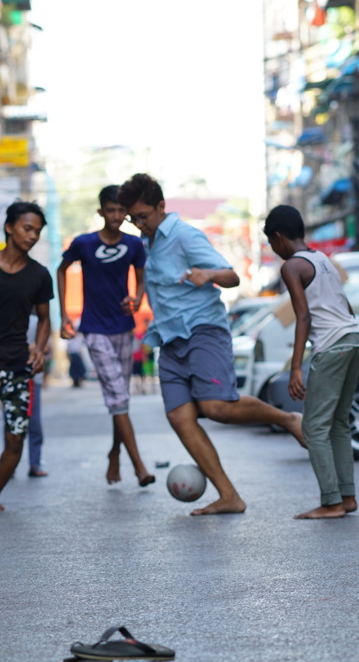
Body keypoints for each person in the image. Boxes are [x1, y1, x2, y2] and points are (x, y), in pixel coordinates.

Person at [117, 173, 304, 516]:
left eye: (143, 216)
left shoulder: (186, 236)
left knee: (217, 407)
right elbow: (157, 282)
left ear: (161, 206)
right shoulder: (150, 242)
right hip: (169, 339)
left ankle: (288, 419)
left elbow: (231, 276)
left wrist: (207, 275)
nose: (138, 224)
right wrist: (138, 297)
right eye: (134, 218)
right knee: (179, 416)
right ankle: (229, 495)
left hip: (203, 330)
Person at [265, 205, 359, 519]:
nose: (273, 249)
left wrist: (296, 367)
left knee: (314, 426)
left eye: (271, 242)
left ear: (278, 238)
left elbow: (303, 316)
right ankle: (347, 497)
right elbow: (344, 305)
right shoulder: (324, 260)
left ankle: (332, 501)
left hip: (332, 347)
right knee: (338, 423)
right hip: (353, 339)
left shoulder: (292, 267)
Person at [57, 185, 154, 486]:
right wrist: (63, 314)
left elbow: (142, 278)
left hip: (124, 329)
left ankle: (114, 454)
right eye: (110, 210)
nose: (116, 215)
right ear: (101, 212)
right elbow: (61, 270)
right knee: (119, 398)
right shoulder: (83, 243)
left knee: (119, 400)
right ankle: (140, 466)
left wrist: (137, 299)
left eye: (120, 210)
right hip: (94, 329)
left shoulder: (134, 245)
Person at [0, 201, 53, 512]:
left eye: (37, 231)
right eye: (27, 228)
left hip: (19, 368)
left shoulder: (40, 275)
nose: (33, 236)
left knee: (16, 439)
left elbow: (45, 318)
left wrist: (41, 348)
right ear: (9, 227)